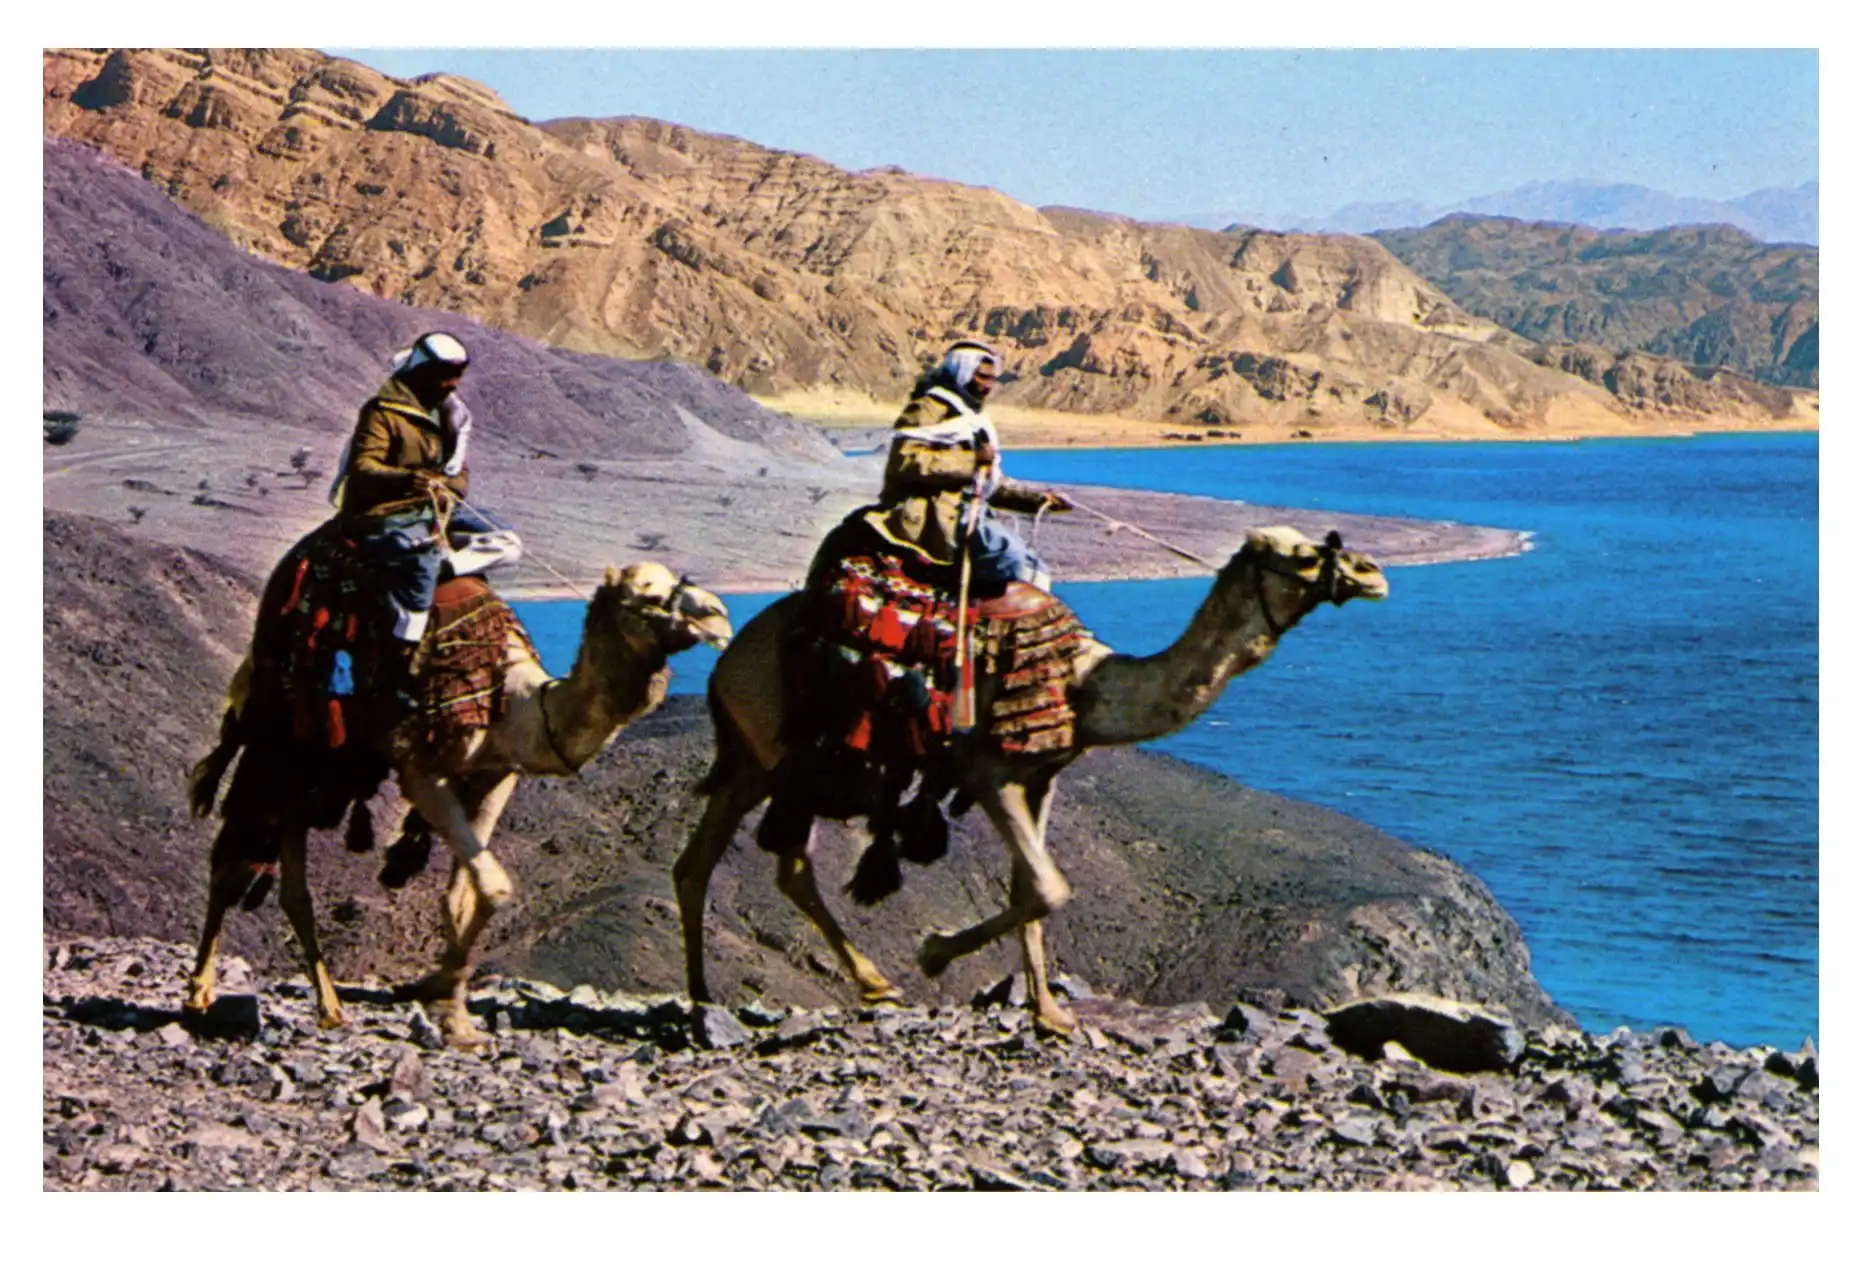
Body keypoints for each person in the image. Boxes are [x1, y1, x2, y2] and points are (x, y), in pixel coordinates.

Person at [328, 332, 519, 706]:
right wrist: (405, 479)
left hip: (435, 507)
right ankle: (400, 666)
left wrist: (448, 486)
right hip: (385, 511)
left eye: (457, 375)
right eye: (446, 375)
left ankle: (446, 566)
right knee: (420, 560)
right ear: (423, 373)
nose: (454, 383)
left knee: (509, 543)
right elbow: (363, 466)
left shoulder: (452, 415)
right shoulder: (382, 413)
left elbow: (459, 473)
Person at [871, 339, 1069, 593]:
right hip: (933, 516)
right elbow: (906, 459)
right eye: (981, 377)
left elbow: (988, 482)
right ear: (961, 371)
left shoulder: (973, 418)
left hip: (971, 513)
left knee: (1034, 567)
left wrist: (1039, 500)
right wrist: (971, 460)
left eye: (992, 379)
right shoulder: (928, 408)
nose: (988, 386)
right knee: (1013, 560)